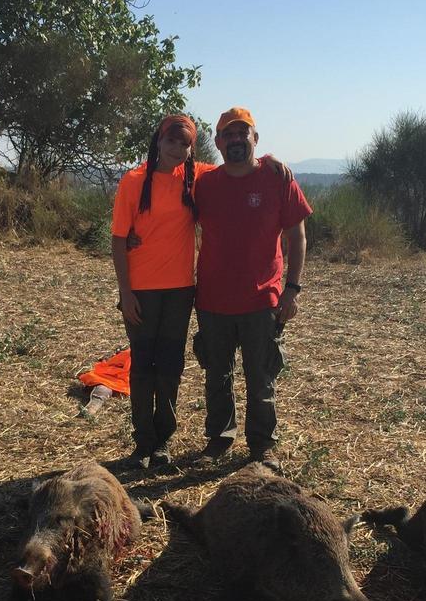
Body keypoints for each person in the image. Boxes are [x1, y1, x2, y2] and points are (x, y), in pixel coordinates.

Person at [191, 107, 312, 473]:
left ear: (255, 139)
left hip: (263, 299)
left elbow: (297, 235)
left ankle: (261, 446)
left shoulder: (278, 180)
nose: (236, 140)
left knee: (261, 375)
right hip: (212, 298)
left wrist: (292, 289)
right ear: (218, 143)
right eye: (229, 134)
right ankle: (219, 439)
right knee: (217, 374)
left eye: (243, 133)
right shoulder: (205, 184)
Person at [109, 115, 206, 469]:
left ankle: (163, 440)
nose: (178, 149)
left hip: (180, 291)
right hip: (142, 292)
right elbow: (119, 239)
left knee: (170, 365)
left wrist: (270, 160)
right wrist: (126, 291)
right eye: (172, 141)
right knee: (142, 366)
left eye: (185, 144)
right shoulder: (133, 181)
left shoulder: (195, 177)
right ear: (159, 141)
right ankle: (142, 442)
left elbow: (238, 170)